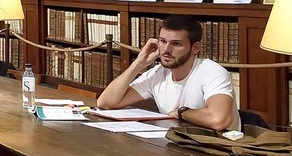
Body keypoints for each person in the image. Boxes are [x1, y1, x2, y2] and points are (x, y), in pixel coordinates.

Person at [97, 14, 240, 132]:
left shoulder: (212, 72)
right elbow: (106, 102)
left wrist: (182, 112)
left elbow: (218, 120)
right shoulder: (158, 73)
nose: (166, 50)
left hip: (221, 152)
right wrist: (138, 64)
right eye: (163, 41)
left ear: (195, 48)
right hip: (180, 146)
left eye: (176, 44)